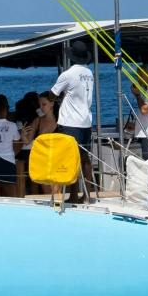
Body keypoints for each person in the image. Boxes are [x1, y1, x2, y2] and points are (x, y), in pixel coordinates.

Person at [50, 41, 96, 200]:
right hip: (86, 121)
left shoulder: (68, 74)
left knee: (71, 159)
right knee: (85, 159)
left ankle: (74, 195)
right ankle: (88, 194)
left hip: (70, 123)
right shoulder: (89, 73)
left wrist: (59, 98)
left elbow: (52, 94)